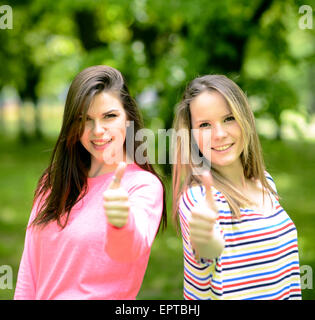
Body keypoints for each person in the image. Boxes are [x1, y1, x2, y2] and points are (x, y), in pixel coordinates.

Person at [14, 65, 167, 300]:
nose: (97, 130)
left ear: (128, 118)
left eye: (109, 116)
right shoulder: (53, 181)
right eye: (85, 119)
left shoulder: (143, 186)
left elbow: (132, 247)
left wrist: (121, 221)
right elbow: (29, 270)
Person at [172, 74, 301, 300]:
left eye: (229, 118)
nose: (220, 134)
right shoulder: (198, 198)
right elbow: (209, 252)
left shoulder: (266, 183)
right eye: (204, 125)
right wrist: (207, 239)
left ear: (245, 120)